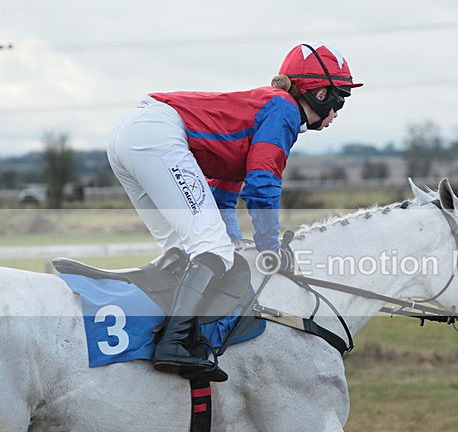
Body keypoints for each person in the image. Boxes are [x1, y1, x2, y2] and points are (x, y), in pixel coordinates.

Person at [107, 42, 362, 382]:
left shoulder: (268, 107)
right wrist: (270, 247)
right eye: (339, 98)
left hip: (132, 136)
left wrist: (236, 243)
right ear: (318, 95)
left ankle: (175, 334)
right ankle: (174, 342)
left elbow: (224, 189)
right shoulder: (284, 110)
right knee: (210, 248)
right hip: (155, 135)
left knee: (187, 249)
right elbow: (262, 183)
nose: (338, 110)